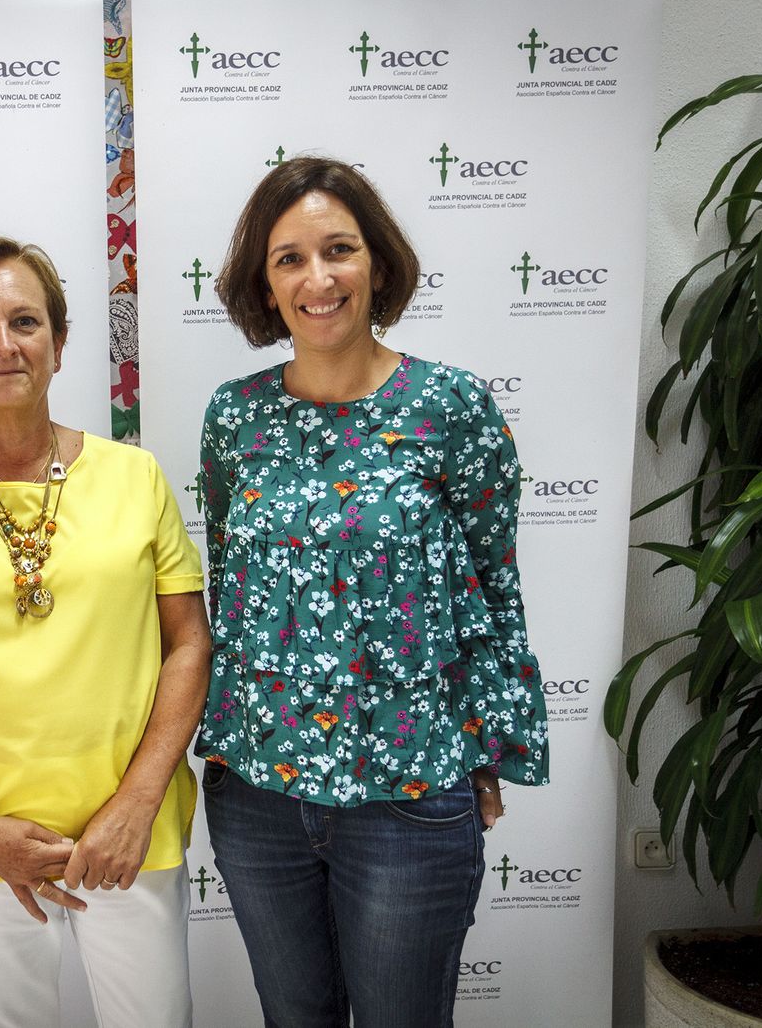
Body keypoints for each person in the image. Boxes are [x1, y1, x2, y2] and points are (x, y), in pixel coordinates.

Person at [195, 156, 549, 1028]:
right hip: (258, 795)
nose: (317, 278)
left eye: (338, 250)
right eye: (288, 259)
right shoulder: (235, 416)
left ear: (377, 265)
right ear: (264, 284)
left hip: (409, 794)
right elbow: (230, 584)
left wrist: (488, 749)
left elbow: (495, 588)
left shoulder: (451, 406)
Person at [0, 237, 210, 1028]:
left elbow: (189, 642)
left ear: (59, 343)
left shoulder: (136, 476)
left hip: (128, 832)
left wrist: (136, 802)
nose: (4, 344)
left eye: (25, 321)